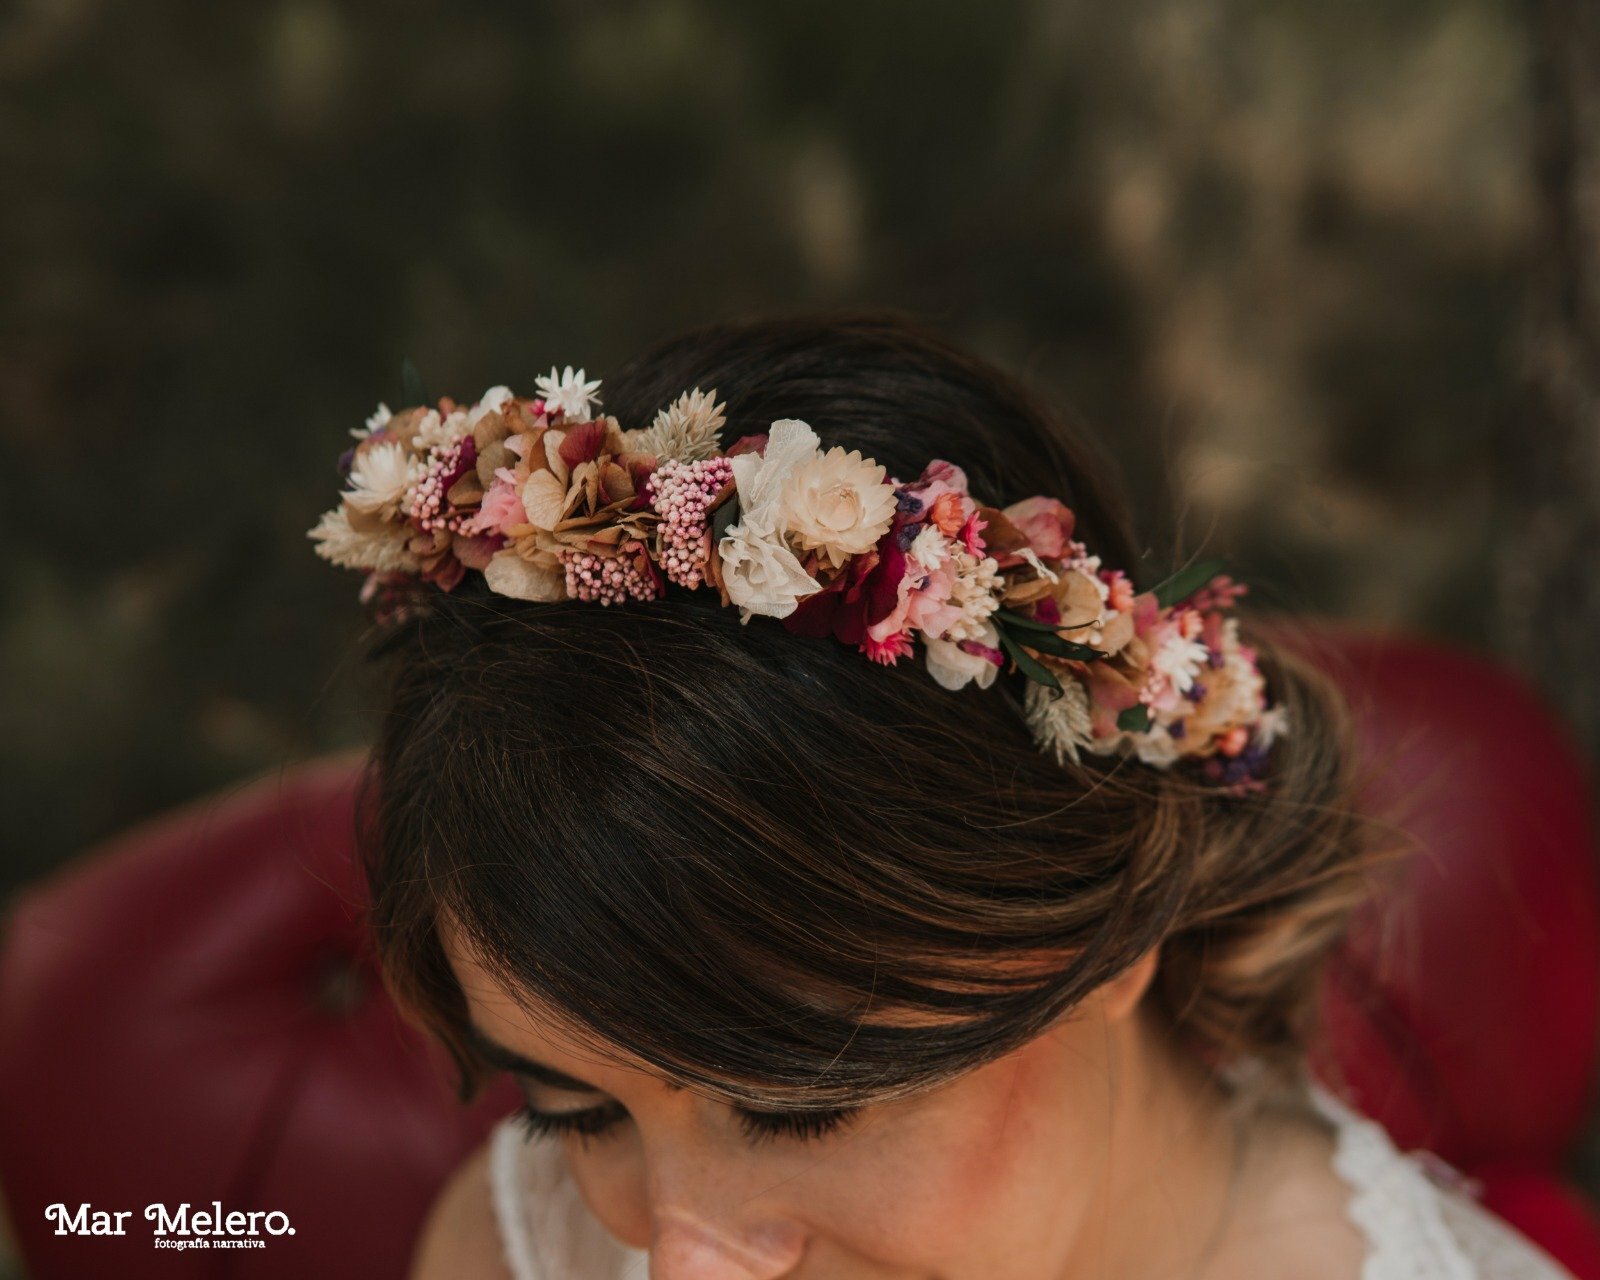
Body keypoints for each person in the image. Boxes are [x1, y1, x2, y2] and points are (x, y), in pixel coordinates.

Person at [311, 312, 1579, 1278]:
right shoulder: (517, 1244)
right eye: (574, 1107)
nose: (680, 1258)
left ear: (1111, 932)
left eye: (796, 1110)